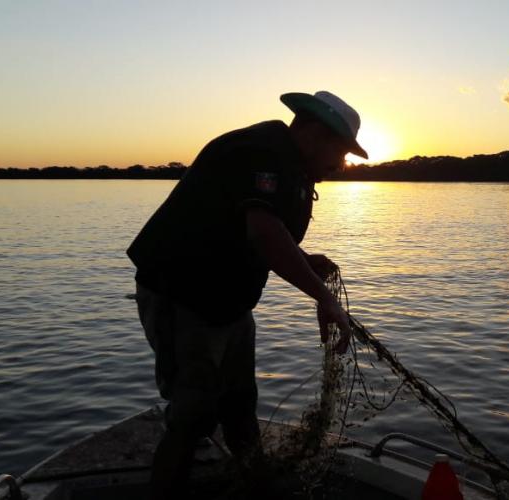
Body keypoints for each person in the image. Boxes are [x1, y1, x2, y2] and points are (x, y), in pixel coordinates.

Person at [126, 91, 365, 499]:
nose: (341, 164)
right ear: (312, 132)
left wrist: (304, 259)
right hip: (183, 294)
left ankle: (256, 490)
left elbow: (251, 228)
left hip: (228, 301)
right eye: (340, 151)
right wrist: (323, 298)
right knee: (193, 414)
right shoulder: (261, 152)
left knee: (239, 406)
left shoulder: (290, 164)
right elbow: (263, 232)